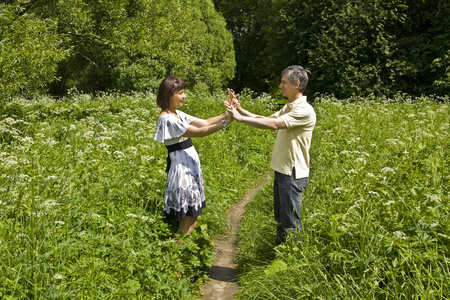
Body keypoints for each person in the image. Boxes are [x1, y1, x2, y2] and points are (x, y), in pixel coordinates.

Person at [227, 65, 316, 244]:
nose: (280, 86)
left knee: (290, 222)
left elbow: (274, 125)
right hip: (283, 170)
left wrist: (239, 118)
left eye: (283, 82)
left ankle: (290, 261)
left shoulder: (304, 110)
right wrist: (240, 109)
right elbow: (267, 119)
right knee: (281, 219)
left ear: (296, 84)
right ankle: (280, 256)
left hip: (292, 173)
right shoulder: (290, 107)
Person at [154, 76, 233, 235]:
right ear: (169, 94)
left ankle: (179, 256)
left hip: (189, 171)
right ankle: (175, 256)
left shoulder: (177, 114)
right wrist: (227, 121)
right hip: (183, 174)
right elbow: (200, 132)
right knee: (186, 224)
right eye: (181, 92)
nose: (184, 96)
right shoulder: (167, 119)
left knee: (192, 221)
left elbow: (204, 122)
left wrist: (229, 112)